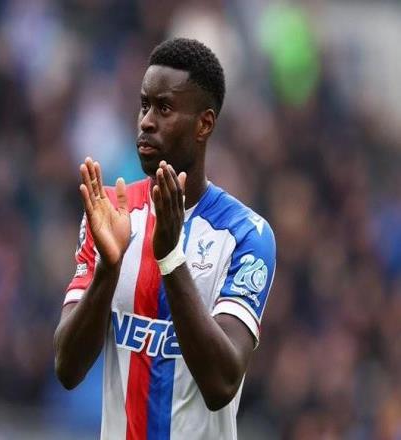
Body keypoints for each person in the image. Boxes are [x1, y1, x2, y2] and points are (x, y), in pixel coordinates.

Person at [54, 38, 276, 440]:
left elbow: (221, 383)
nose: (146, 121)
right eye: (144, 105)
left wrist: (171, 258)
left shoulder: (247, 235)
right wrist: (108, 268)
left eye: (165, 108)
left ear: (204, 124)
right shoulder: (111, 216)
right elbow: (67, 369)